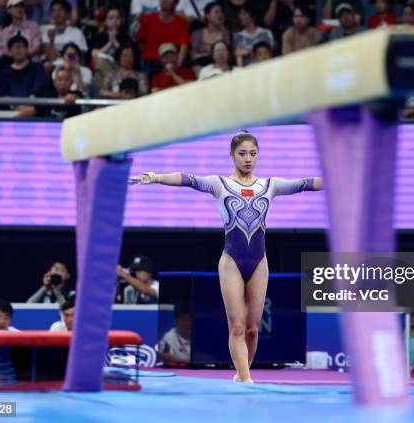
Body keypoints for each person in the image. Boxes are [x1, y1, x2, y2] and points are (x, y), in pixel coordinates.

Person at [128, 130, 323, 383]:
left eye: (253, 153)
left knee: (253, 329)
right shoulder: (220, 184)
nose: (248, 159)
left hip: (258, 262)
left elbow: (305, 184)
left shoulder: (269, 185)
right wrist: (155, 177)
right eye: (242, 154)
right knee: (238, 326)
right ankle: (246, 378)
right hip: (231, 261)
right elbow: (187, 179)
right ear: (231, 155)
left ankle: (242, 375)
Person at [0, 34, 48, 117]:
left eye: (22, 47)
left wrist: (27, 106)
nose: (18, 50)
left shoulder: (37, 67)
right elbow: (3, 93)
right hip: (11, 109)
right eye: (15, 47)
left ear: (27, 49)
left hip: (34, 108)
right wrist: (17, 107)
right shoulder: (5, 71)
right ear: (10, 51)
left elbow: (39, 89)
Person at [135, 0, 190, 72]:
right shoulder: (148, 18)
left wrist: (178, 67)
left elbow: (184, 46)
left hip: (171, 62)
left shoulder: (181, 23)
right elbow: (140, 41)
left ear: (176, 3)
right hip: (150, 62)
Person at [42, 0, 88, 69]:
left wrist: (65, 58)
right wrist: (51, 40)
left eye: (60, 10)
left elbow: (81, 54)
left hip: (73, 65)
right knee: (46, 66)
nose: (56, 13)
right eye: (53, 10)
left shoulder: (76, 32)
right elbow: (52, 59)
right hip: (54, 66)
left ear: (67, 14)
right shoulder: (48, 33)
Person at [190, 2, 231, 70]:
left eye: (221, 12)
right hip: (201, 67)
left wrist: (204, 55)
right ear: (208, 15)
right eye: (216, 12)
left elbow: (229, 54)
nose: (220, 15)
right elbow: (193, 55)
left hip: (222, 66)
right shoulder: (197, 33)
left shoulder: (226, 34)